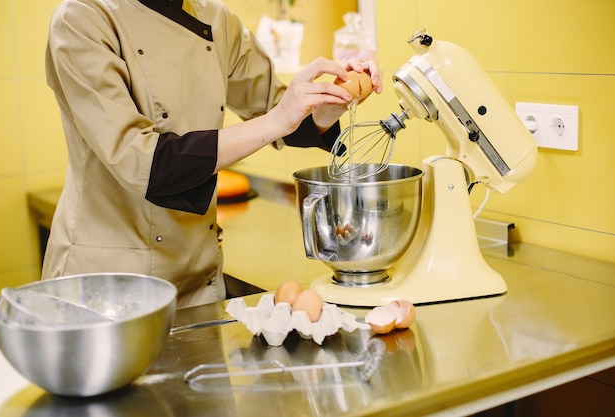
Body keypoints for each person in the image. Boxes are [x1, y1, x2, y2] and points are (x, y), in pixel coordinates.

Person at [43, 0, 383, 308]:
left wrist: (333, 96)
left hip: (197, 280)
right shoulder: (83, 20)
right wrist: (277, 119)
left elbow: (285, 116)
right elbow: (145, 163)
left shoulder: (216, 19)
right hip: (109, 287)